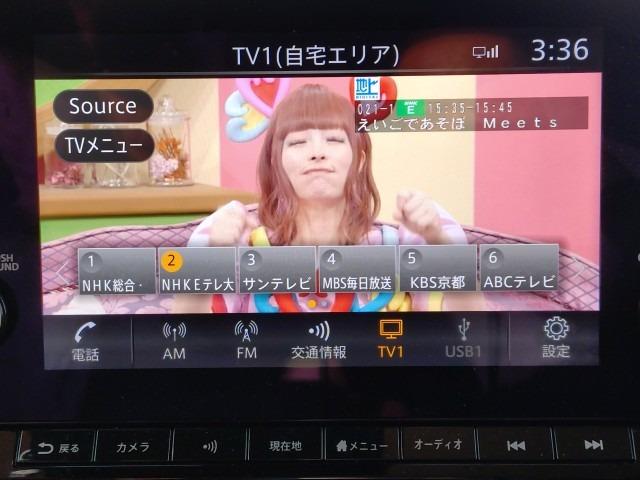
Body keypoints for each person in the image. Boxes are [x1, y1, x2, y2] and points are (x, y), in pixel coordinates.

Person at [174, 83, 483, 313]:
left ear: (359, 159)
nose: (317, 152)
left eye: (334, 139)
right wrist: (211, 255)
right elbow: (187, 339)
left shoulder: (403, 242)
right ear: (275, 161)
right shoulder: (240, 239)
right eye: (298, 142)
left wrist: (439, 241)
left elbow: (471, 334)